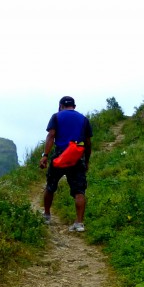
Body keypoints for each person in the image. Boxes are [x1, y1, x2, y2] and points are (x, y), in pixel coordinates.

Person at [38, 96, 93, 232]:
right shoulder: (84, 119)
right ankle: (79, 223)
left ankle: (46, 216)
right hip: (76, 157)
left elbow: (51, 136)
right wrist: (86, 161)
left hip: (60, 156)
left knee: (50, 186)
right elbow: (88, 142)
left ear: (61, 105)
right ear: (74, 106)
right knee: (79, 191)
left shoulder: (56, 117)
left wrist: (45, 155)